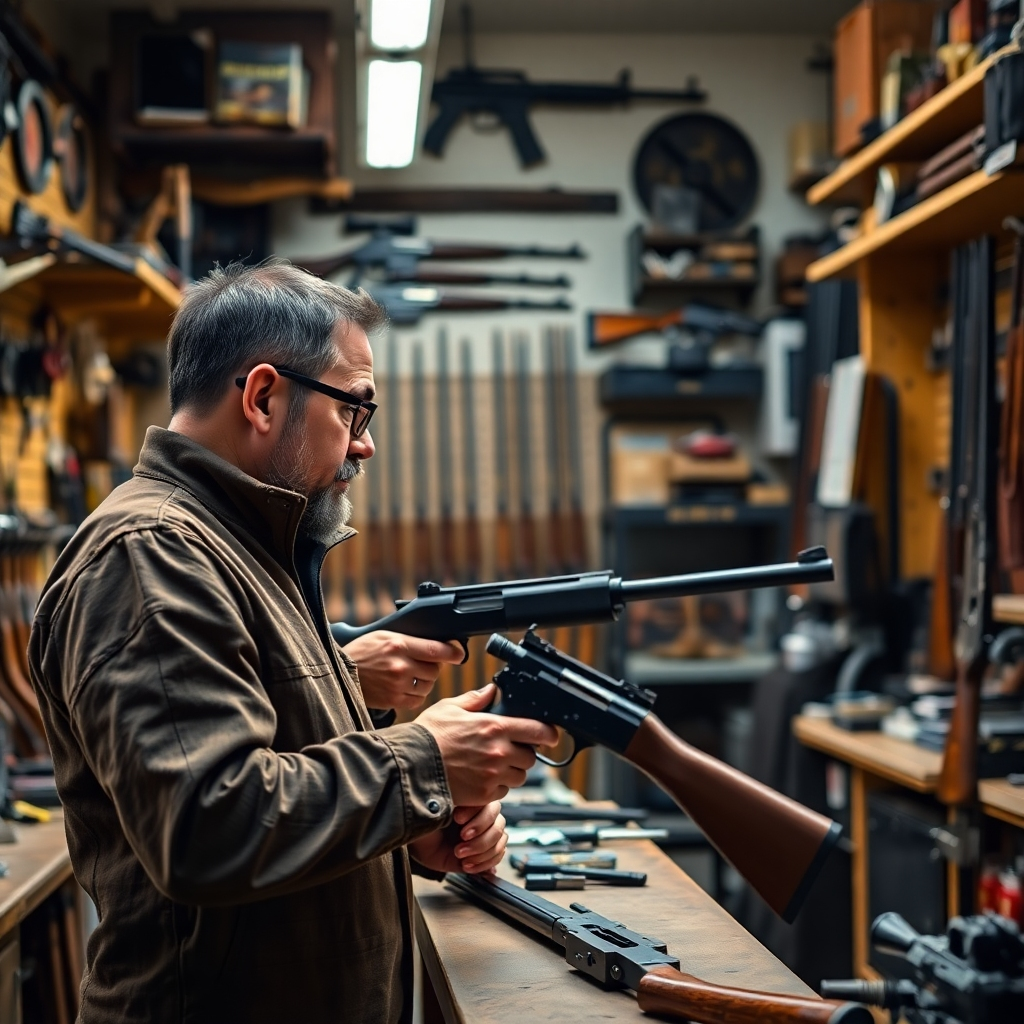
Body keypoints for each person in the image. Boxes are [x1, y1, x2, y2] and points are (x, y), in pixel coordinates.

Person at [27, 261, 558, 1024]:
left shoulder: (245, 546)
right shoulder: (150, 555)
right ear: (264, 396)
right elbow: (209, 825)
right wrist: (424, 762)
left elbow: (277, 773)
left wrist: (407, 831)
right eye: (355, 411)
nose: (364, 446)